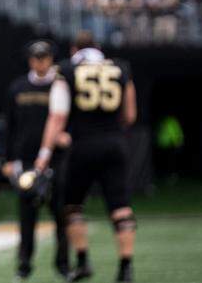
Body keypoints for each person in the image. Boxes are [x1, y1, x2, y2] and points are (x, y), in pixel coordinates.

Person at [36, 35, 137, 282]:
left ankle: (82, 261)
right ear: (99, 49)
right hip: (115, 144)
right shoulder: (121, 67)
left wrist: (44, 153)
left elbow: (57, 116)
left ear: (74, 50)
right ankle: (125, 266)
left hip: (82, 145)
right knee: (121, 207)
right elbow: (130, 115)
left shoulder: (67, 70)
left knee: (72, 206)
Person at [3, 40, 68, 280]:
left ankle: (63, 264)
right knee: (27, 217)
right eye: (35, 57)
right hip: (27, 160)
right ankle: (24, 265)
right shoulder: (18, 87)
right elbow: (9, 125)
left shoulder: (60, 85)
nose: (40, 61)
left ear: (51, 58)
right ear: (29, 59)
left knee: (61, 213)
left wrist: (67, 136)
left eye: (44, 57)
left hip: (57, 159)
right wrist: (8, 159)